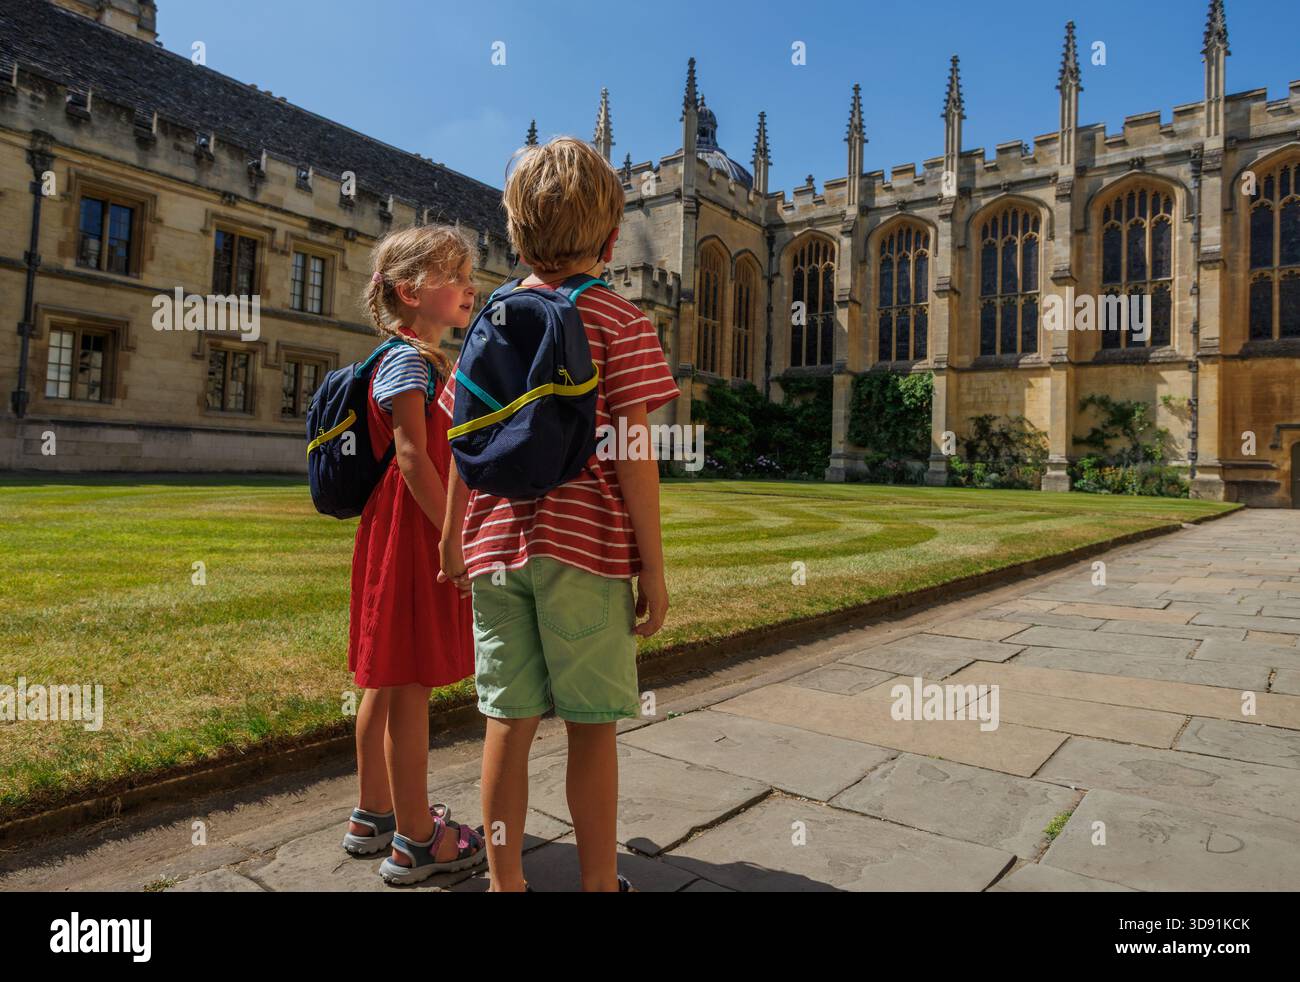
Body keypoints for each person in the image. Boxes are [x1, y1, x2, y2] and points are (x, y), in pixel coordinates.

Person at [438, 137, 679, 892]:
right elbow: (635, 459)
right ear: (612, 238)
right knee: (590, 727)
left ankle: (506, 885)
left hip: (496, 547)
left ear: (512, 234)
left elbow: (461, 440)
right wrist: (654, 567)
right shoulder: (622, 322)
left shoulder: (494, 318)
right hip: (589, 553)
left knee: (506, 725)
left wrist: (452, 540)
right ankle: (599, 886)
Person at [342, 224, 486, 885]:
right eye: (456, 275)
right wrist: (451, 535)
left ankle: (373, 813)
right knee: (410, 687)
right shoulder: (409, 360)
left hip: (392, 531)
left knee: (385, 674)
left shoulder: (402, 357)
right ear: (409, 291)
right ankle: (418, 838)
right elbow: (410, 455)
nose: (470, 286)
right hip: (412, 534)